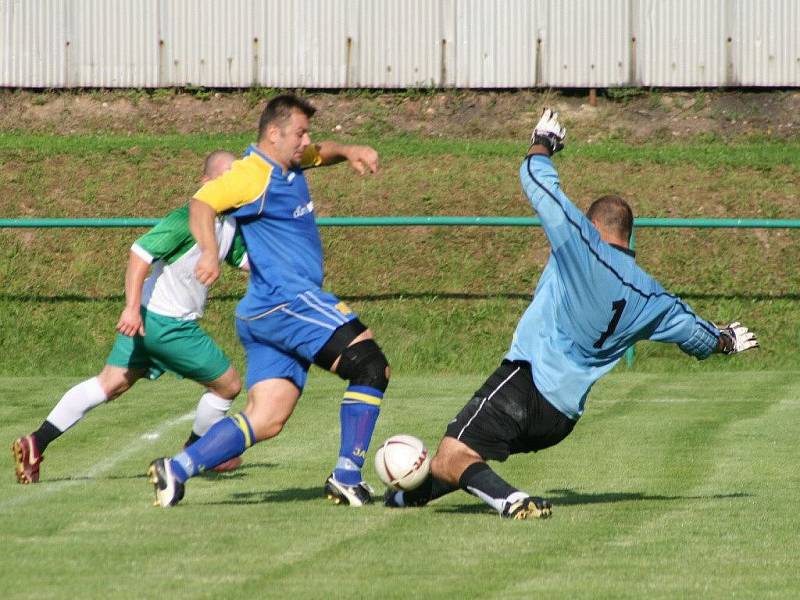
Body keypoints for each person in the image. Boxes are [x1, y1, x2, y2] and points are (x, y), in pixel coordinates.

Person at [384, 108, 759, 520]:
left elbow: (537, 183)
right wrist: (725, 340)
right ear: (628, 235)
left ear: (593, 226)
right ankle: (400, 499)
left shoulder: (584, 248)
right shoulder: (653, 299)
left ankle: (510, 500)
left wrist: (544, 141)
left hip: (527, 383)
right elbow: (695, 334)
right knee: (467, 454)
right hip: (560, 419)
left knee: (451, 453)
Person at [148, 94, 387, 508]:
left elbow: (320, 153)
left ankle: (177, 469)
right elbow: (201, 203)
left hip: (263, 312)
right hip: (288, 300)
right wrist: (208, 251)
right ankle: (347, 476)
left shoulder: (289, 161)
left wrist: (349, 151)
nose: (306, 140)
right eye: (299, 132)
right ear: (273, 134)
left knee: (267, 418)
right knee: (370, 365)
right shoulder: (251, 174)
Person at [11, 151, 249, 484]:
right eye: (226, 176)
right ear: (206, 182)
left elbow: (247, 262)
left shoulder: (228, 222)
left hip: (151, 322)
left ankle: (36, 442)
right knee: (228, 385)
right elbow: (140, 253)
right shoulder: (186, 219)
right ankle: (194, 454)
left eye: (237, 178)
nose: (233, 184)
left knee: (108, 384)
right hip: (167, 324)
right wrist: (131, 307)